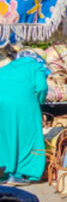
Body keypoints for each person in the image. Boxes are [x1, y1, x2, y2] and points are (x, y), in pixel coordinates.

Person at [0, 56, 49, 185]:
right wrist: (40, 102)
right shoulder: (36, 66)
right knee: (26, 137)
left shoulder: (5, 68)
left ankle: (4, 172)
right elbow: (41, 88)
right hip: (23, 104)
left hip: (1, 104)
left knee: (5, 137)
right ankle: (18, 174)